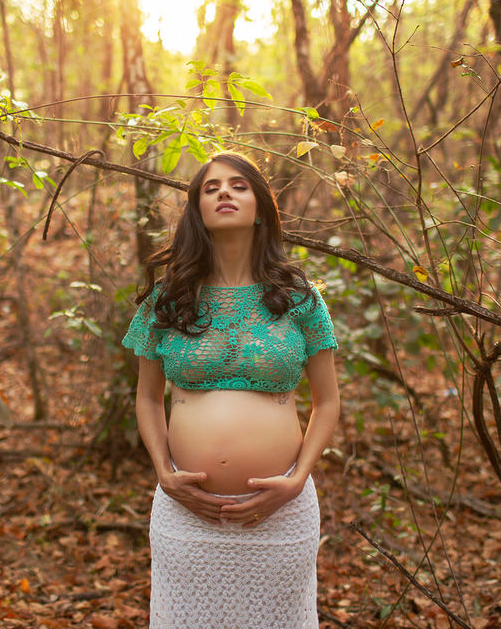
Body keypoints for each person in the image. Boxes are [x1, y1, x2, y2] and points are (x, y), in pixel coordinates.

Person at [122, 151, 340, 629]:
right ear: (196, 210)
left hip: (280, 512)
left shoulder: (299, 296)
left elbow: (327, 402)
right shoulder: (168, 297)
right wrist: (164, 472)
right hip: (187, 512)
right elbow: (146, 398)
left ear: (260, 206)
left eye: (239, 185)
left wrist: (297, 479)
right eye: (211, 187)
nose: (225, 192)